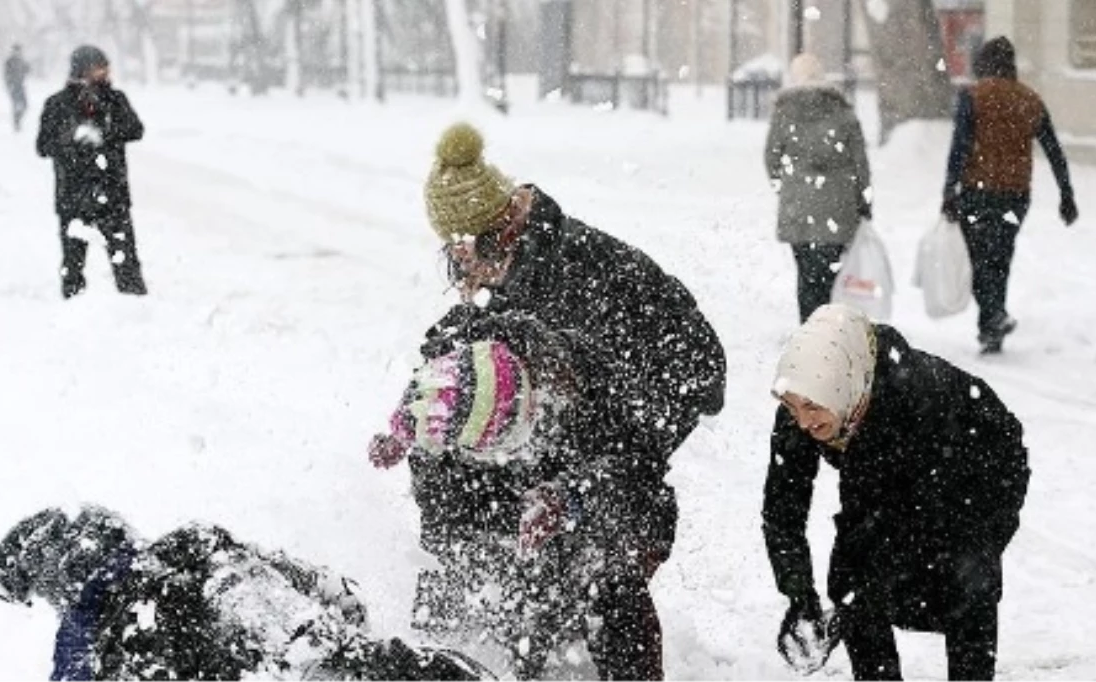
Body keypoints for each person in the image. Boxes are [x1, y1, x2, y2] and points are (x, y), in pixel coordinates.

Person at [371, 122, 727, 680]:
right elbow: (448, 355)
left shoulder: (587, 278)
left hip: (633, 421)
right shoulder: (499, 286)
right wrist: (414, 418)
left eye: (469, 255)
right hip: (548, 433)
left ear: (504, 228)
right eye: (452, 259)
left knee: (599, 566)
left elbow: (696, 380)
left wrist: (580, 488)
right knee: (486, 538)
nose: (464, 275)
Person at [762, 304, 1030, 681]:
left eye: (812, 407)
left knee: (965, 581)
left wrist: (984, 546)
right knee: (853, 583)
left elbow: (895, 517)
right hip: (896, 474)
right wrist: (799, 597)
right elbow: (782, 511)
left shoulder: (913, 395)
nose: (803, 421)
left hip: (977, 465)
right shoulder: (806, 400)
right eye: (791, 407)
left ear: (843, 387)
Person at [0, 505, 494, 681]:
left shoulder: (87, 640)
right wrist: (333, 595)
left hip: (234, 656)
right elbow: (310, 579)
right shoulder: (189, 541)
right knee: (368, 663)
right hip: (289, 626)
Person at [941, 36, 1078, 354]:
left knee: (980, 262)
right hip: (1016, 195)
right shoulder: (1029, 99)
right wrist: (1066, 193)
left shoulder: (973, 96)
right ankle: (993, 327)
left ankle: (993, 317)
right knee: (1000, 259)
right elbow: (1053, 149)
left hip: (977, 192)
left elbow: (960, 147)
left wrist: (949, 189)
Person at [765, 53, 872, 323]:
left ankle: (809, 326)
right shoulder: (843, 112)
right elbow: (860, 163)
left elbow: (771, 157)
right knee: (829, 274)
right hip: (838, 205)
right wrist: (864, 200)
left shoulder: (784, 111)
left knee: (806, 273)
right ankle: (826, 326)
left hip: (798, 206)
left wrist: (788, 187)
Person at [36, 45, 147, 299]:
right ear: (83, 70)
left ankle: (137, 312)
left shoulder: (115, 100)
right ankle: (75, 315)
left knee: (126, 262)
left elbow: (135, 130)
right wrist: (72, 140)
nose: (106, 72)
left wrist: (105, 134)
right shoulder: (58, 104)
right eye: (100, 67)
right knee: (73, 265)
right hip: (73, 198)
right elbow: (43, 146)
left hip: (113, 195)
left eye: (106, 67)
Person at [4, 44, 32, 132]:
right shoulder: (9, 61)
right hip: (13, 86)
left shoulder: (22, 61)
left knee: (25, 105)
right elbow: (6, 74)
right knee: (16, 105)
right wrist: (9, 85)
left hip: (21, 86)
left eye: (19, 50)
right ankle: (16, 122)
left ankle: (17, 120)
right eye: (16, 50)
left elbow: (28, 70)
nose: (17, 52)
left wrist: (27, 66)